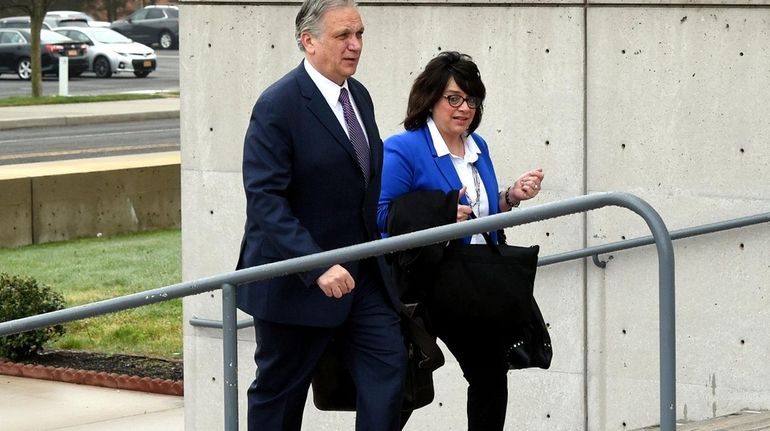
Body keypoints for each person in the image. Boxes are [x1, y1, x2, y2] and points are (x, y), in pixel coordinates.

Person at [235, 1, 407, 430]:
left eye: (360, 34)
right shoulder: (278, 105)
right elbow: (265, 200)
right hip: (297, 280)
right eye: (343, 36)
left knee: (391, 373)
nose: (355, 45)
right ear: (308, 41)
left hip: (363, 277)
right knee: (280, 401)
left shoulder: (359, 97)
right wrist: (317, 265)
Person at [377, 51, 545, 431]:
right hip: (422, 285)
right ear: (430, 98)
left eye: (471, 99)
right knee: (404, 387)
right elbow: (379, 214)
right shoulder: (404, 148)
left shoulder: (477, 146)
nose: (464, 107)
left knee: (489, 376)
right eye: (454, 97)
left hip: (470, 283)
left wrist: (510, 197)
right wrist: (438, 213)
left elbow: (478, 214)